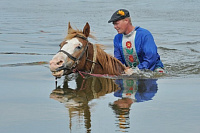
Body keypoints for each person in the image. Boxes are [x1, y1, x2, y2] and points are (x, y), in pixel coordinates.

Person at [108, 9, 165, 73]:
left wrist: (136, 70)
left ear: (126, 21)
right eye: (114, 24)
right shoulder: (117, 38)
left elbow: (151, 58)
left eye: (116, 24)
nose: (115, 27)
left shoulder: (144, 34)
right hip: (132, 71)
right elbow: (118, 61)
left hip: (153, 69)